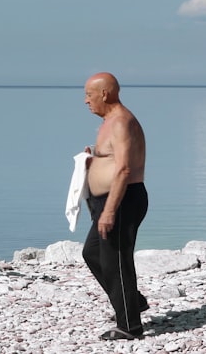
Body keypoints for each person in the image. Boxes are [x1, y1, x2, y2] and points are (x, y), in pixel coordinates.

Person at [81, 71, 149, 341]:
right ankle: (133, 301)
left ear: (105, 94)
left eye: (89, 95)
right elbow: (111, 159)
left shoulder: (121, 121)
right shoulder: (108, 121)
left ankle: (130, 327)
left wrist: (109, 210)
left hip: (121, 200)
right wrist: (92, 160)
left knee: (116, 261)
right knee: (92, 253)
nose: (86, 101)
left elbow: (123, 169)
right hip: (107, 201)